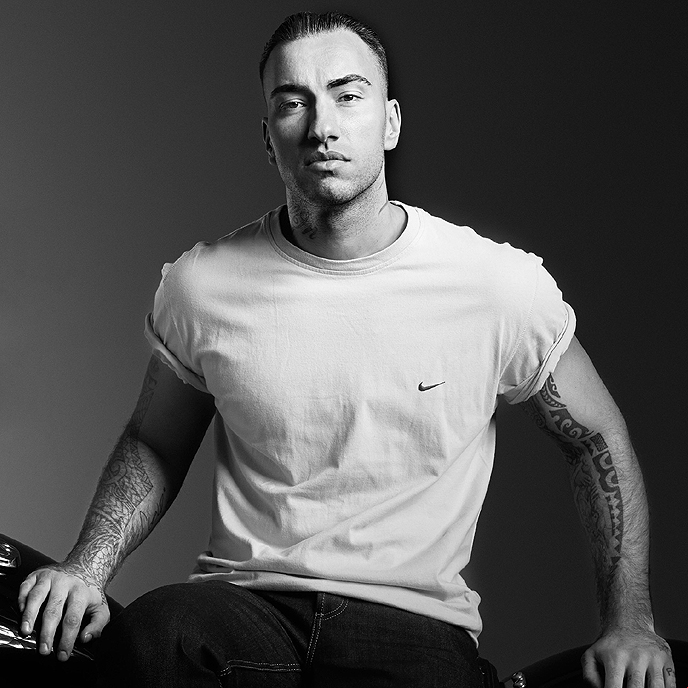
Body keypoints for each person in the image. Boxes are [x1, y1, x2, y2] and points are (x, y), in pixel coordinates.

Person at [17, 11, 674, 688]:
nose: (321, 127)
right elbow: (154, 442)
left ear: (390, 123)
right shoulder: (202, 285)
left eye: (347, 96)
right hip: (248, 605)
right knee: (158, 638)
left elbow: (593, 437)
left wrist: (630, 622)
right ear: (268, 138)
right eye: (292, 103)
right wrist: (85, 568)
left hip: (412, 621)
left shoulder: (494, 286)